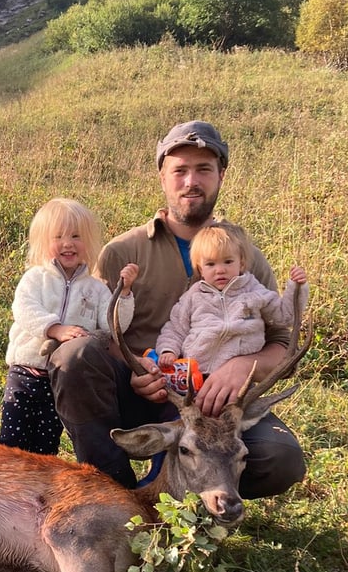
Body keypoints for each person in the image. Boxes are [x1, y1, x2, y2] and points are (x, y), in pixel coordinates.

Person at [47, 120, 307, 495]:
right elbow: (100, 331)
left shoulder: (246, 257)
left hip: (215, 406)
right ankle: (111, 493)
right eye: (180, 171)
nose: (191, 182)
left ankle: (202, 495)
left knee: (279, 458)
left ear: (221, 175)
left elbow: (283, 342)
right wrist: (134, 366)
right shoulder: (124, 251)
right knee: (74, 356)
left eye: (203, 170)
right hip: (137, 394)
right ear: (162, 177)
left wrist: (242, 367)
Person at [0, 197, 138, 455]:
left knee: (45, 443)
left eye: (76, 236)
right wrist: (55, 329)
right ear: (43, 242)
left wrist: (125, 293)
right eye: (58, 236)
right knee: (11, 438)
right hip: (25, 373)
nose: (67, 243)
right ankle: (5, 488)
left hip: (59, 380)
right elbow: (23, 309)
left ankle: (37, 489)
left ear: (88, 242)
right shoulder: (35, 278)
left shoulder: (95, 289)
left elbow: (114, 326)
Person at [153, 223, 309, 379]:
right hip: (196, 375)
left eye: (228, 262)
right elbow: (176, 328)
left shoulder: (253, 291)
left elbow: (285, 317)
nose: (220, 270)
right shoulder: (194, 296)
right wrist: (168, 350)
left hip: (238, 378)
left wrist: (296, 288)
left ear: (241, 263)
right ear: (201, 270)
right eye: (210, 264)